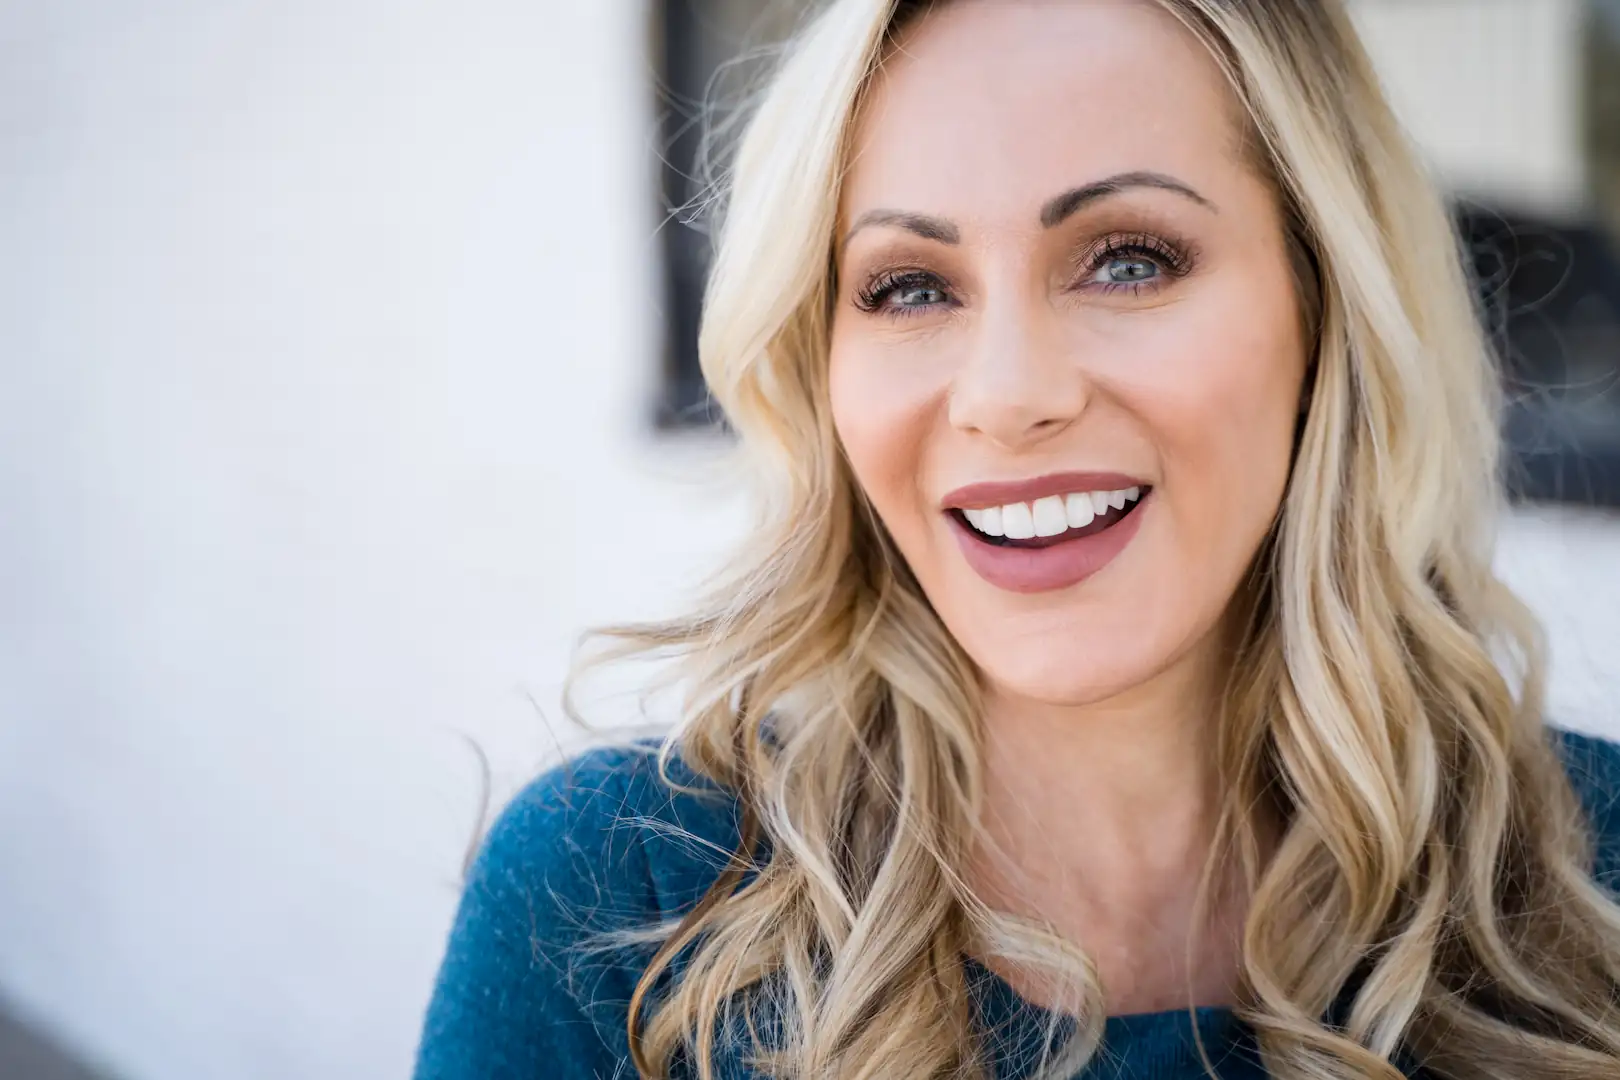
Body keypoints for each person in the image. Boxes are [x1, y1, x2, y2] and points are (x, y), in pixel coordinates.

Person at [413, 1, 1620, 1077]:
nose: (1005, 396)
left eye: (1128, 262)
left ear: (1323, 309)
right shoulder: (618, 908)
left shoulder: (1592, 883)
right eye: (909, 286)